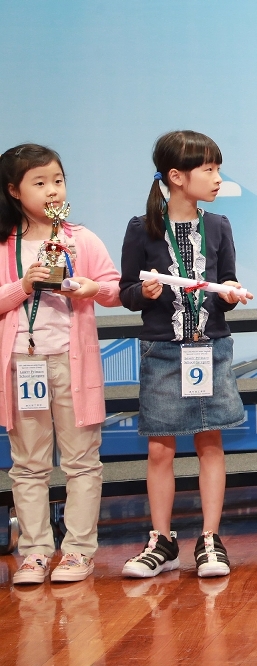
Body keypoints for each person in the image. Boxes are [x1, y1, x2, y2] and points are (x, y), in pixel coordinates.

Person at [118, 131, 253, 578]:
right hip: (163, 350)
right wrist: (144, 291)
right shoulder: (141, 228)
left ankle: (210, 538)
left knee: (210, 442)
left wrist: (230, 292)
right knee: (160, 449)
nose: (217, 179)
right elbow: (126, 292)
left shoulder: (219, 226)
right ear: (176, 177)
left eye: (218, 169)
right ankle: (161, 539)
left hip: (210, 347)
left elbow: (227, 282)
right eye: (208, 170)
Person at [0, 144, 120, 585]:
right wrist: (22, 285)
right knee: (28, 464)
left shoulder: (80, 238)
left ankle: (77, 551)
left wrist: (90, 288)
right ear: (14, 190)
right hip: (21, 363)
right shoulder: (4, 244)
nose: (52, 190)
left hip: (73, 364)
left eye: (58, 180)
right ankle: (34, 552)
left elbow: (114, 289)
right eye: (40, 182)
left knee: (81, 461)